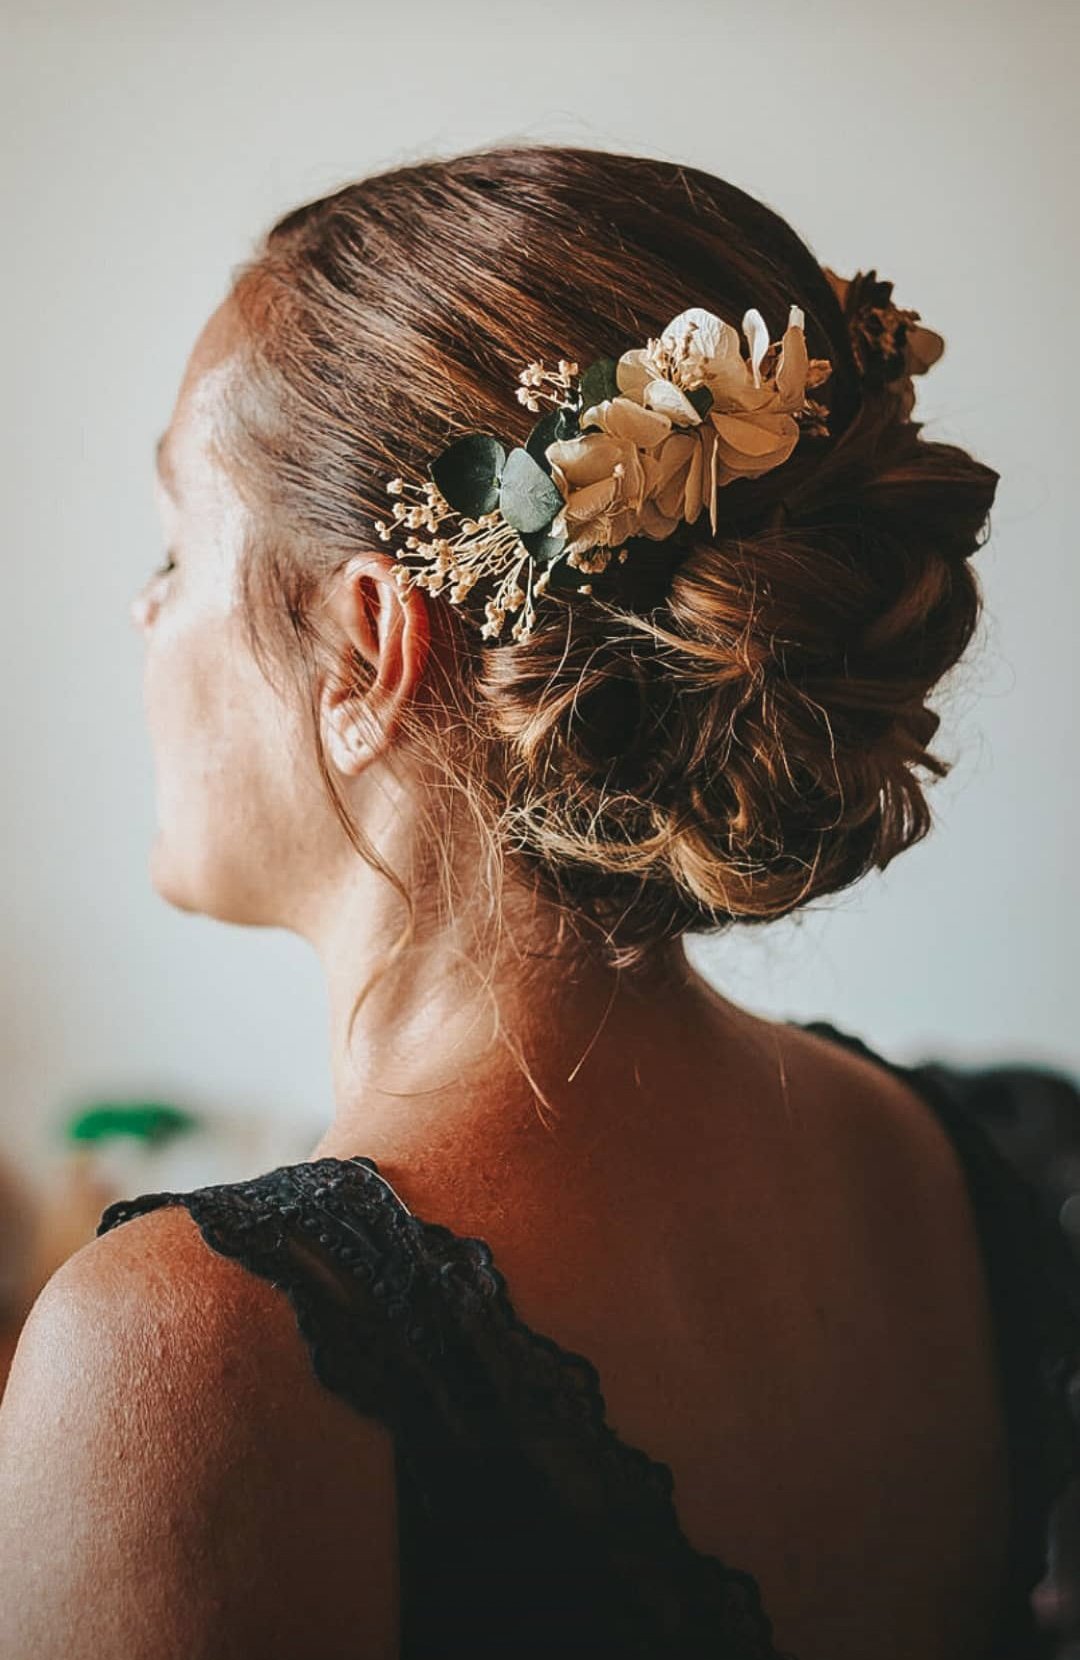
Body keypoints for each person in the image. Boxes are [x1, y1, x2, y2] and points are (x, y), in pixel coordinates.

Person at [1, 144, 1077, 1660]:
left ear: (370, 648)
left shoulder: (191, 1358)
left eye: (178, 545)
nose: (144, 608)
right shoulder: (950, 1168)